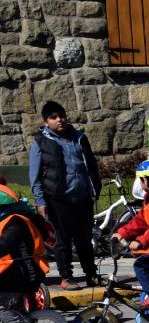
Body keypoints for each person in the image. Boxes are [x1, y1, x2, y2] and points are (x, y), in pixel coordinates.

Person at [28, 100, 101, 289]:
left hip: (82, 197)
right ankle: (66, 277)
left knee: (84, 239)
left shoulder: (79, 138)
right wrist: (40, 200)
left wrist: (94, 188)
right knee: (62, 240)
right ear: (46, 122)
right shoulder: (41, 141)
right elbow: (34, 175)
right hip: (58, 199)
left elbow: (90, 165)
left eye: (61, 116)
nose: (59, 120)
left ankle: (91, 274)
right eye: (53, 118)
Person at [0, 181, 53, 323]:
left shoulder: (15, 221)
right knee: (13, 305)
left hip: (24, 272)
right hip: (14, 271)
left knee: (3, 303)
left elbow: (5, 245)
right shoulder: (8, 218)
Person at [111, 160, 149, 309]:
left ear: (145, 180)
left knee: (141, 265)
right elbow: (140, 220)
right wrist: (122, 232)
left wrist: (141, 241)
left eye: (140, 180)